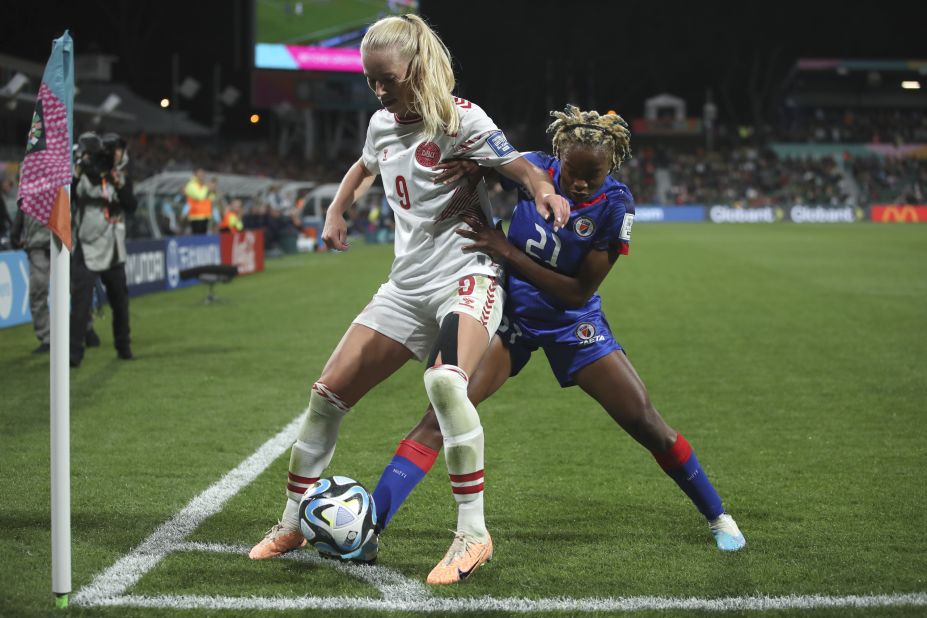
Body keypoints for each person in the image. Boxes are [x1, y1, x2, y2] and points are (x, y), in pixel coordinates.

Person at [248, 13, 569, 586]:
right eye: (371, 81)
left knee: (446, 384)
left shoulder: (460, 120)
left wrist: (544, 190)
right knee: (325, 396)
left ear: (416, 69)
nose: (379, 91)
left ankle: (473, 534)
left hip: (467, 275)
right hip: (405, 286)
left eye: (387, 79)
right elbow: (364, 166)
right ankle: (293, 522)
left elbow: (518, 165)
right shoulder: (380, 123)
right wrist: (335, 207)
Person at [368, 105, 746, 555]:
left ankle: (718, 516)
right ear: (557, 157)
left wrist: (505, 251)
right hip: (512, 320)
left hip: (572, 324)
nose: (581, 183)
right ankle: (370, 523)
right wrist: (470, 166)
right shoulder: (535, 170)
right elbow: (487, 163)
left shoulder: (615, 205)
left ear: (613, 166)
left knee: (644, 421)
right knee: (442, 410)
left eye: (594, 174)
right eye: (573, 171)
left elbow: (577, 293)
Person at [69, 132, 137, 367]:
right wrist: (76, 175)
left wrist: (119, 183)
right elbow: (65, 200)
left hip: (113, 246)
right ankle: (73, 353)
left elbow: (131, 206)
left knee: (120, 301)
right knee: (80, 302)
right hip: (86, 245)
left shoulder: (118, 175)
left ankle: (124, 346)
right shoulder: (78, 175)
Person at [10, 203, 51, 353]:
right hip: (38, 246)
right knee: (38, 292)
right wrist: (15, 235)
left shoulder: (61, 184)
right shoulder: (28, 187)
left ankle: (84, 329)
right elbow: (21, 209)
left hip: (61, 242)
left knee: (78, 289)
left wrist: (15, 235)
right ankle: (48, 338)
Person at [183, 169, 213, 235]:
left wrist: (212, 191)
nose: (202, 176)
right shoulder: (191, 185)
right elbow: (199, 196)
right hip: (196, 215)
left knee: (203, 236)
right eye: (200, 174)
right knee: (197, 237)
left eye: (203, 174)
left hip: (205, 215)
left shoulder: (202, 185)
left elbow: (211, 198)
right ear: (195, 175)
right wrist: (207, 188)